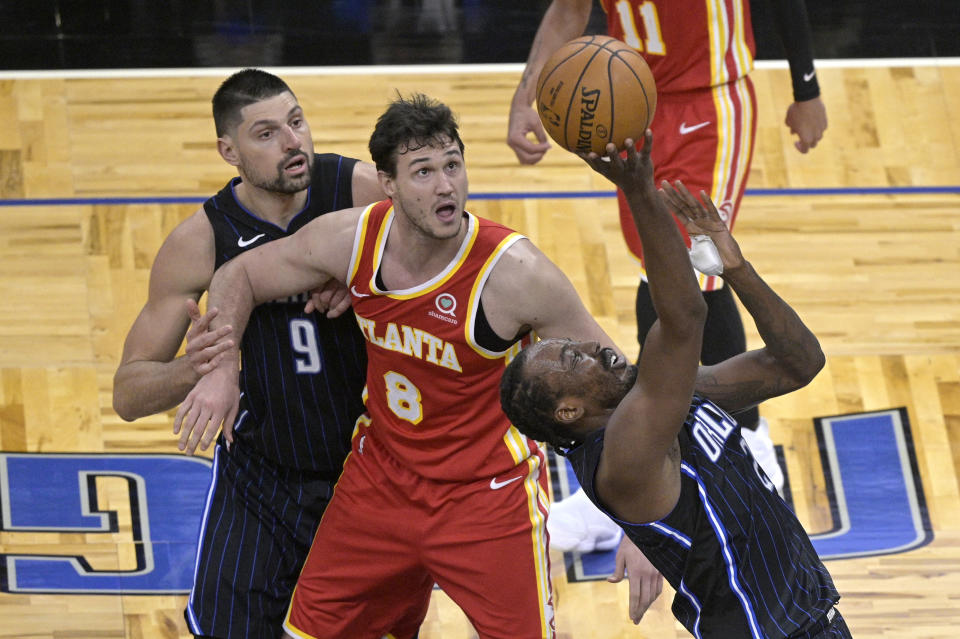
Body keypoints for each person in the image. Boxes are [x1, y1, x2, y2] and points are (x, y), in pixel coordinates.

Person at [172, 93, 669, 639]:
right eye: (424, 171)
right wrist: (221, 368)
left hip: (488, 497)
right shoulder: (352, 240)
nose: (445, 186)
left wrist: (645, 523)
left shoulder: (517, 274)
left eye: (453, 165)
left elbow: (629, 391)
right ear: (388, 184)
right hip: (380, 480)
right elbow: (239, 274)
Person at [508, 0, 828, 555]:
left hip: (713, 99)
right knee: (654, 271)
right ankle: (643, 453)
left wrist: (806, 88)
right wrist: (528, 95)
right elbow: (569, 9)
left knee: (694, 274)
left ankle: (745, 443)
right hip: (628, 101)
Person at [499, 138, 850, 638]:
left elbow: (798, 363)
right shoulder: (623, 457)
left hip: (811, 619)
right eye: (574, 357)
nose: (596, 349)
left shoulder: (669, 401)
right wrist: (639, 189)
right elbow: (685, 316)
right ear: (568, 410)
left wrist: (736, 269)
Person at [112, 68, 388, 639]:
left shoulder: (360, 193)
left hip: (367, 468)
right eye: (266, 134)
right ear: (228, 151)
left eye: (296, 122)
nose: (293, 143)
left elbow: (457, 252)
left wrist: (369, 278)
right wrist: (207, 364)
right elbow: (129, 394)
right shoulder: (202, 240)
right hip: (261, 474)